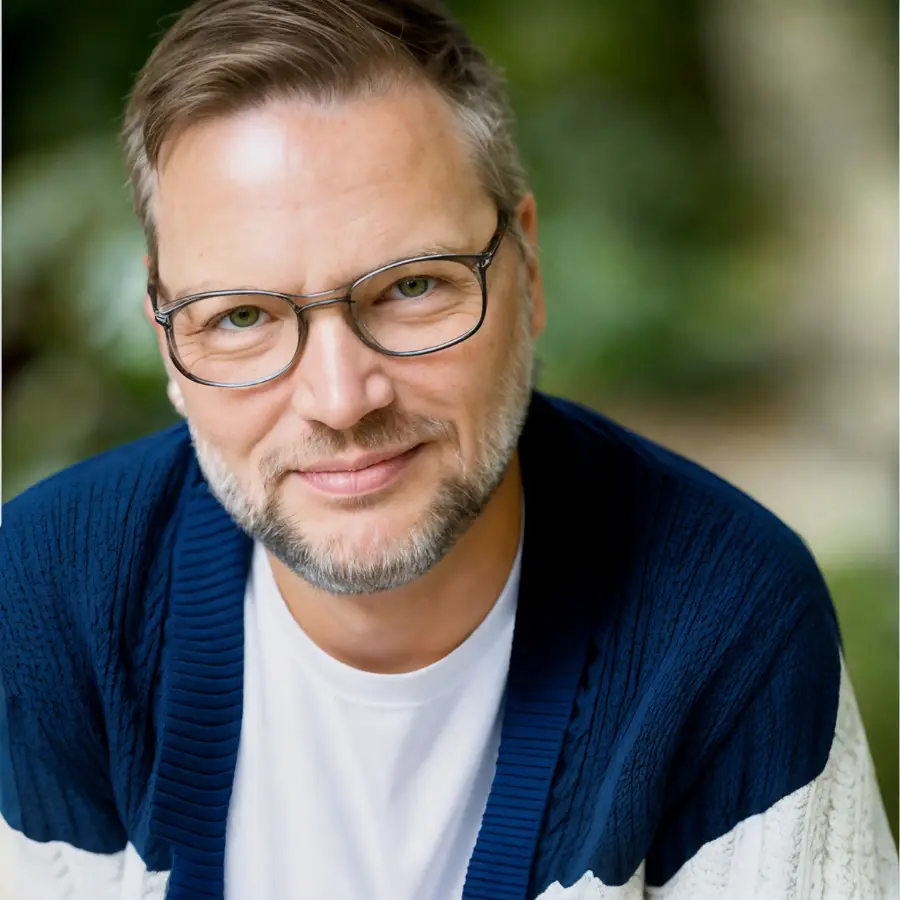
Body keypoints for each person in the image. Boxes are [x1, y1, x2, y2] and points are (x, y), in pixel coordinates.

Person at [0, 1, 896, 898]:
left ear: (528, 274)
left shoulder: (724, 619)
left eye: (411, 288)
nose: (342, 400)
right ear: (168, 344)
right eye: (240, 316)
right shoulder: (43, 605)